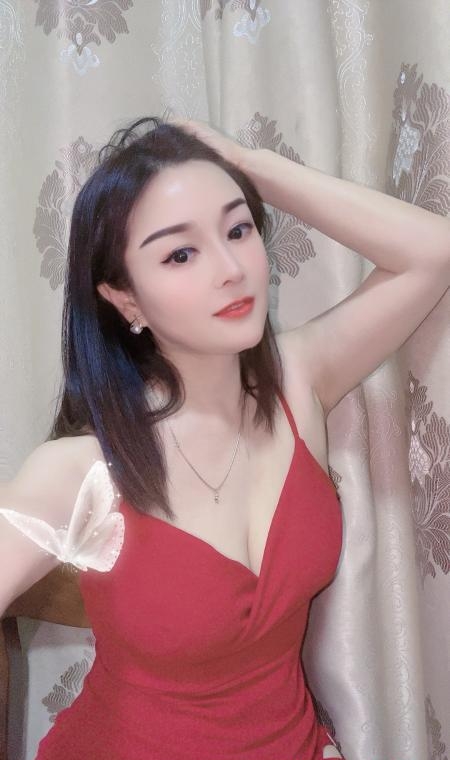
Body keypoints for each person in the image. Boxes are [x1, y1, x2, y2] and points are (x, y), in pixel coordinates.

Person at [0, 116, 449, 760]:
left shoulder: (299, 379)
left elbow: (432, 251)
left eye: (238, 230)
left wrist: (251, 165)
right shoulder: (80, 472)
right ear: (125, 299)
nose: (232, 269)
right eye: (180, 254)